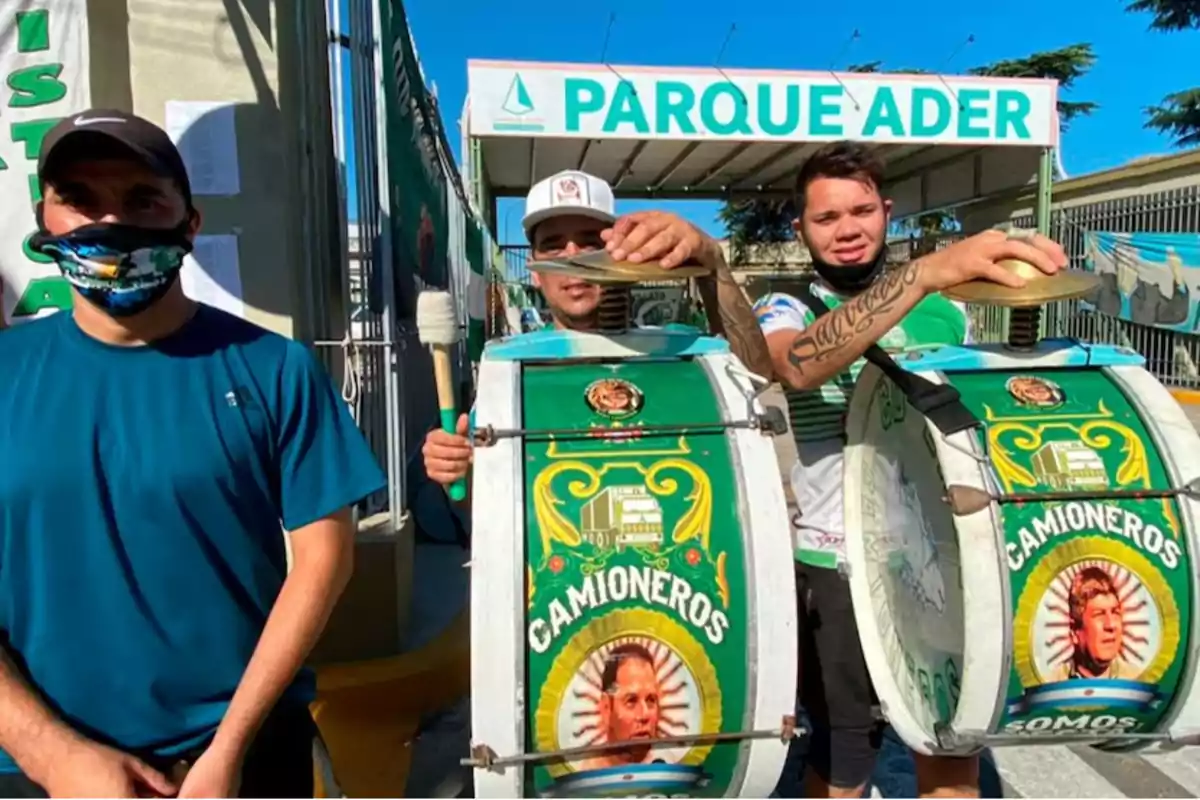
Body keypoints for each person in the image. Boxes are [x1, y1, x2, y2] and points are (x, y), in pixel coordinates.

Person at [0, 109, 386, 798]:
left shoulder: (275, 369)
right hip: (37, 769)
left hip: (240, 761)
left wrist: (228, 749)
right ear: (43, 215)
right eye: (80, 199)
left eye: (142, 199)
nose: (111, 223)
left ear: (189, 222)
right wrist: (53, 756)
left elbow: (324, 562)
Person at [754, 141, 1068, 799]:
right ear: (801, 228)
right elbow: (797, 365)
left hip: (941, 558)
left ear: (886, 211)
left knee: (953, 745)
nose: (847, 230)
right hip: (834, 566)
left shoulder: (949, 311)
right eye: (826, 217)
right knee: (845, 755)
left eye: (862, 211)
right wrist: (924, 272)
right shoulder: (783, 306)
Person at [423, 169, 769, 491]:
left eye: (591, 242)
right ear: (535, 271)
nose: (574, 256)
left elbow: (756, 376)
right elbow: (486, 516)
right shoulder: (510, 375)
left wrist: (714, 264)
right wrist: (457, 471)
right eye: (554, 244)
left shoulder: (678, 352)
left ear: (619, 254)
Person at [580, 643, 662, 771]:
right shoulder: (584, 776)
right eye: (631, 701)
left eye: (651, 700)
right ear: (606, 708)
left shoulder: (671, 769)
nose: (644, 715)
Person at [1049, 567, 1132, 681]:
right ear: (1074, 631)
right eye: (1099, 615)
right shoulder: (1051, 686)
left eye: (1115, 613)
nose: (1111, 625)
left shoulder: (1139, 682)